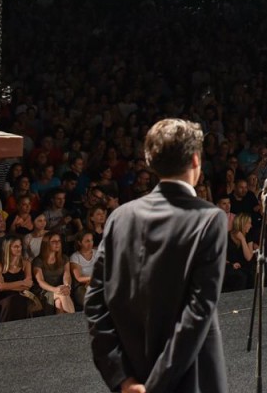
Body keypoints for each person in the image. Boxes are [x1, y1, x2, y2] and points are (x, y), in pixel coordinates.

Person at [86, 118, 228, 393]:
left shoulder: (119, 218)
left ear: (150, 162)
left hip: (131, 377)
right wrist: (156, 386)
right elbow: (198, 311)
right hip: (190, 379)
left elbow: (94, 304)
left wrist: (122, 378)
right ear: (196, 160)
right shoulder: (209, 219)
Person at [0, 235, 38, 322]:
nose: (19, 248)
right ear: (8, 248)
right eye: (15, 246)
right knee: (11, 301)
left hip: (22, 295)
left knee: (20, 301)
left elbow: (28, 285)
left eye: (20, 245)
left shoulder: (26, 263)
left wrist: (7, 286)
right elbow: (0, 287)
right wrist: (22, 282)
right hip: (4, 297)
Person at [34, 231, 76, 314]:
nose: (57, 243)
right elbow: (40, 281)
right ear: (46, 244)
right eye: (53, 241)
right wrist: (55, 289)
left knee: (58, 303)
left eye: (59, 241)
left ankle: (64, 323)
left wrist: (67, 286)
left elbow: (67, 275)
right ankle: (75, 320)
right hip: (45, 291)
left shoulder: (64, 258)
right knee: (63, 295)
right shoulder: (38, 261)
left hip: (60, 288)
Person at [223, 213, 256, 292]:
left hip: (245, 266)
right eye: (249, 223)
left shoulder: (248, 236)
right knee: (240, 276)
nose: (251, 226)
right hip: (230, 266)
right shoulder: (226, 237)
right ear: (242, 224)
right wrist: (231, 264)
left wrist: (242, 239)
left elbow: (249, 257)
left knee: (251, 273)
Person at [69, 230, 97, 309]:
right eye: (87, 241)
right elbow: (79, 278)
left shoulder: (97, 253)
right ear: (80, 243)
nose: (90, 243)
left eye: (91, 240)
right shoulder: (75, 257)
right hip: (82, 287)